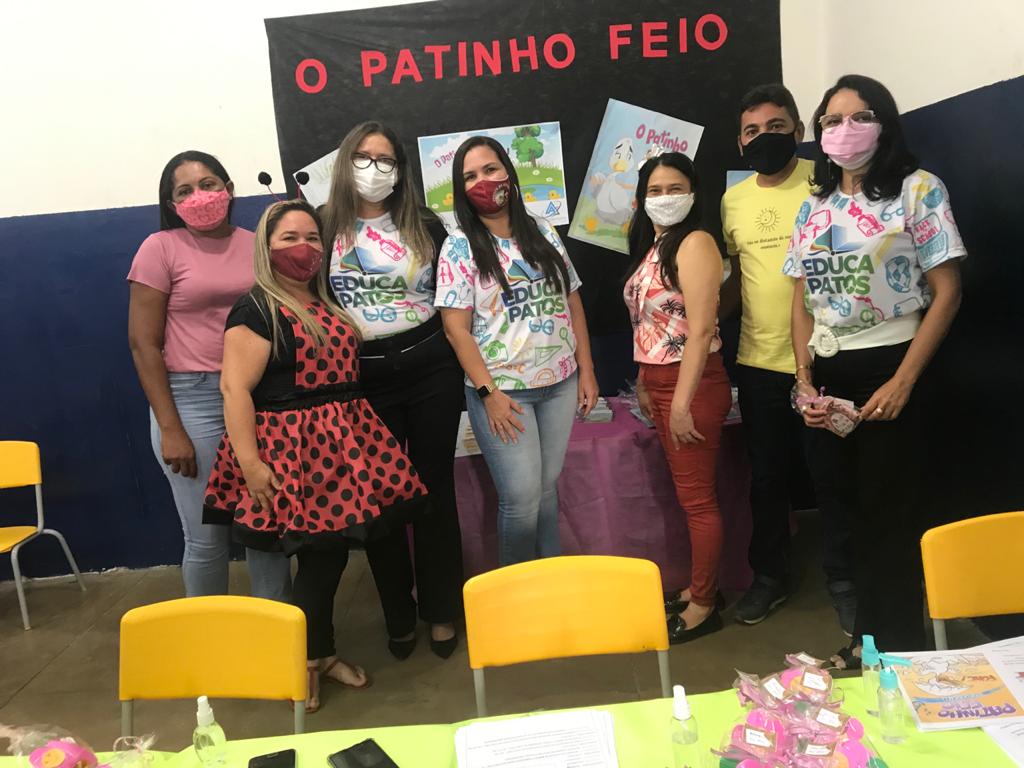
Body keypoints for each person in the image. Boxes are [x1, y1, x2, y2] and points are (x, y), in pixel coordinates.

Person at [203, 199, 427, 711]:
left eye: (311, 238)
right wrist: (251, 465)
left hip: (341, 445)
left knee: (328, 558)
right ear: (266, 247)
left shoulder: (322, 300)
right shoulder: (256, 309)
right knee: (321, 560)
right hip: (294, 451)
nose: (303, 247)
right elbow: (234, 389)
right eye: (289, 238)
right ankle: (302, 664)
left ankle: (320, 655)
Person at [786, 75, 964, 657]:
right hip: (828, 374)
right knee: (847, 517)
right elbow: (801, 300)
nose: (844, 130)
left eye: (858, 116)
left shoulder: (918, 190)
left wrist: (903, 380)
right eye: (831, 121)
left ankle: (902, 653)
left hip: (892, 365)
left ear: (883, 123)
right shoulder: (812, 207)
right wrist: (804, 380)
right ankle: (868, 646)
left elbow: (947, 290)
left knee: (892, 519)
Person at [322, 121, 464, 660]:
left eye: (386, 160)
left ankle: (441, 610)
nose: (374, 169)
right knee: (378, 498)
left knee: (434, 490)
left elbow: (453, 295)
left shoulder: (425, 223)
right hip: (360, 377)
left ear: (401, 171)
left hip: (430, 368)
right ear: (345, 162)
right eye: (363, 157)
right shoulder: (322, 225)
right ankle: (399, 615)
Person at [720, 84, 857, 633]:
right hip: (758, 361)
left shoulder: (827, 183)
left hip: (825, 360)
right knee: (767, 479)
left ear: (799, 131)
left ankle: (845, 580)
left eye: (776, 127)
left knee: (832, 477)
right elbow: (738, 280)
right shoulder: (733, 201)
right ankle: (770, 577)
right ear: (740, 142)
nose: (764, 138)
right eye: (752, 131)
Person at [127, 151, 291, 600]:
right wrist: (170, 428)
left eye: (209, 184)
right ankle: (208, 634)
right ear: (171, 203)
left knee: (266, 526)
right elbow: (144, 344)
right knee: (206, 538)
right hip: (191, 401)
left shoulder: (256, 245)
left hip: (258, 394)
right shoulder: (159, 249)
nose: (200, 196)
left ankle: (277, 633)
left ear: (229, 189)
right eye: (185, 191)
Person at [437, 136, 599, 566]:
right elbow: (456, 330)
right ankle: (517, 592)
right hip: (505, 393)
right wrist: (488, 394)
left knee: (546, 489)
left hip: (560, 383)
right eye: (470, 175)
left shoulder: (542, 230)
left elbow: (572, 300)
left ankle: (551, 577)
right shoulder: (458, 246)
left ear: (508, 172)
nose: (483, 181)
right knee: (522, 498)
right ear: (460, 188)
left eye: (490, 169)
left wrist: (586, 369)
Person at [624, 152, 733, 644]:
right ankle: (698, 588)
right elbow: (652, 323)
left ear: (692, 193)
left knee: (698, 501)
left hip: (693, 383)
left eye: (675, 189)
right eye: (655, 190)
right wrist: (644, 382)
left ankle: (705, 604)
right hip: (661, 381)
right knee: (690, 498)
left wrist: (683, 404)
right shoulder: (656, 246)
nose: (664, 198)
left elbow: (702, 328)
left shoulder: (695, 243)